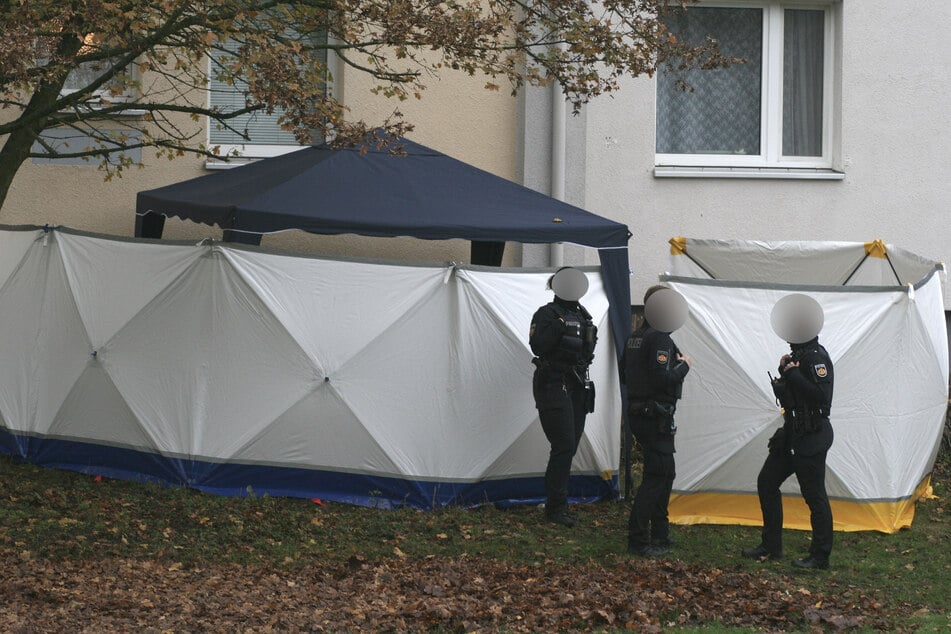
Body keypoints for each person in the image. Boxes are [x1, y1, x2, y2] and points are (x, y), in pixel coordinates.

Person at [743, 293, 834, 570]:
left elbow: (821, 396)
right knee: (766, 482)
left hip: (812, 435)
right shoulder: (799, 356)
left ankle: (820, 557)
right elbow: (791, 396)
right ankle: (771, 546)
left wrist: (794, 374)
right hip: (792, 433)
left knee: (814, 496)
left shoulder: (816, 358)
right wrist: (785, 372)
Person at [622, 285, 691, 557]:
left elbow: (625, 373)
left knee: (666, 472)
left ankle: (660, 533)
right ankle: (639, 539)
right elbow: (664, 377)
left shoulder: (634, 337)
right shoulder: (660, 338)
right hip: (655, 416)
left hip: (641, 413)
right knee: (656, 475)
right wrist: (685, 364)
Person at [529, 267, 598, 527]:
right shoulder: (547, 314)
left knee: (570, 445)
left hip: (577, 384)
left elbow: (586, 351)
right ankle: (555, 507)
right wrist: (560, 326)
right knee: (564, 444)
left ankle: (558, 504)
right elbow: (538, 345)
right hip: (553, 384)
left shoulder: (583, 315)